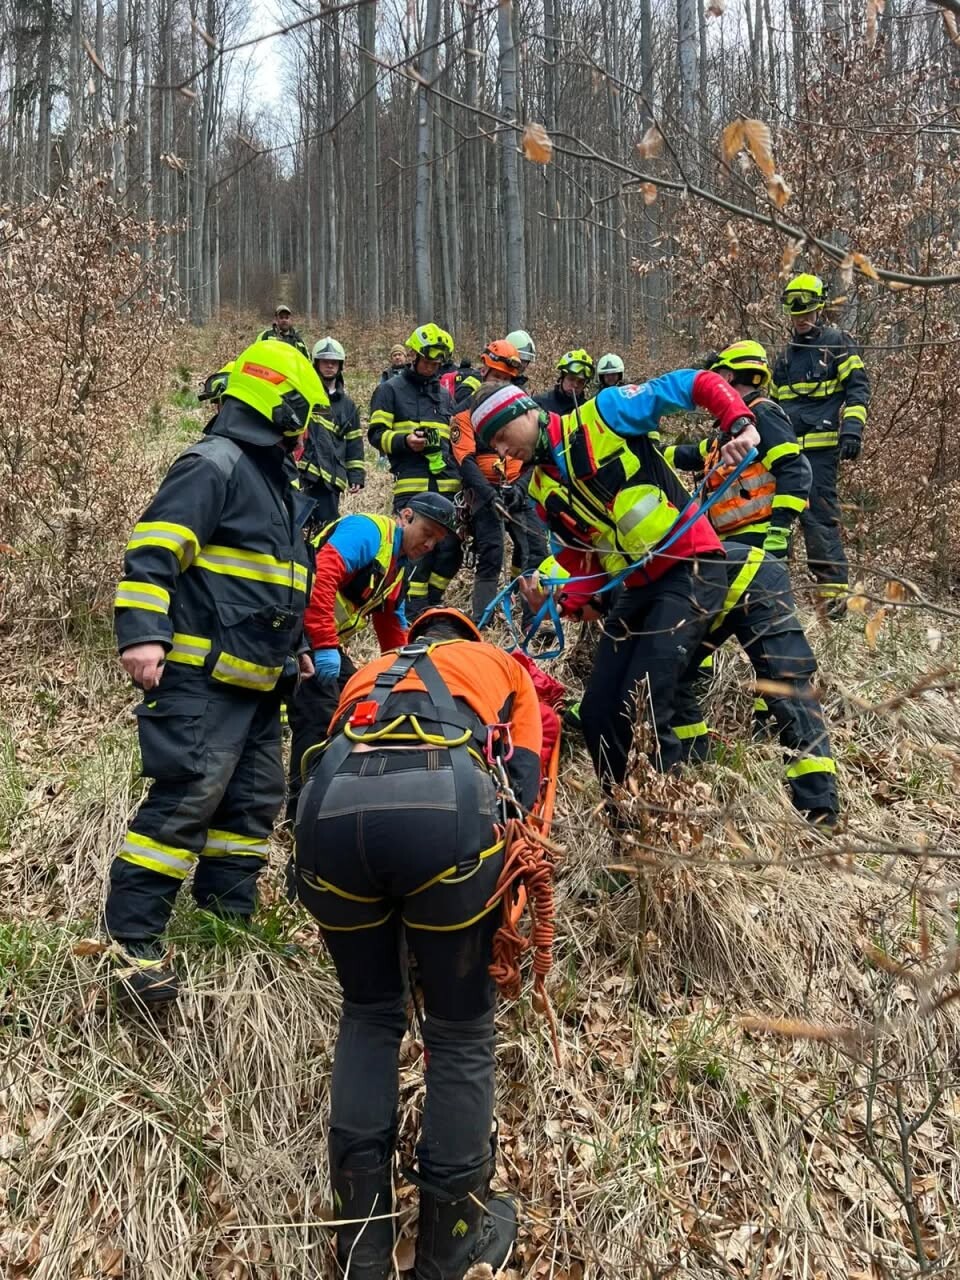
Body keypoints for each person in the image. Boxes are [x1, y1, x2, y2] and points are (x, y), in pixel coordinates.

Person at [294, 606, 542, 1280]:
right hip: (446, 815)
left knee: (369, 1012)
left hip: (327, 821)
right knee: (459, 1031)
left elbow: (322, 755)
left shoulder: (369, 672)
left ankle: (362, 1243)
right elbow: (522, 788)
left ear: (418, 638)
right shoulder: (501, 666)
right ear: (468, 638)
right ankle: (452, 1243)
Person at [105, 340, 327, 1004]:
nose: (306, 428)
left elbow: (276, 580)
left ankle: (224, 923)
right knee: (185, 803)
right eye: (304, 413)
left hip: (258, 679)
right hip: (201, 678)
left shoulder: (272, 479)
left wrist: (296, 647)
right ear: (282, 405)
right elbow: (153, 551)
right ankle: (131, 949)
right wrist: (143, 635)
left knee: (250, 805)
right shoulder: (214, 463)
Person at [469, 374, 761, 796]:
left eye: (500, 436)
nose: (500, 451)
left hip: (690, 567)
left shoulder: (605, 414)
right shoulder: (540, 492)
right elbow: (581, 564)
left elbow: (693, 383)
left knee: (645, 702)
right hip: (638, 591)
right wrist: (557, 602)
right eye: (491, 446)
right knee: (597, 712)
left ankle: (669, 815)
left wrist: (739, 423)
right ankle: (623, 816)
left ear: (525, 412)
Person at [544, 545, 838, 825]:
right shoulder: (624, 595)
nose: (574, 620)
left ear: (587, 590)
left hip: (756, 578)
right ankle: (697, 761)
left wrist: (575, 713)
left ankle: (818, 802)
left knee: (786, 682)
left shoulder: (628, 590)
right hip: (712, 598)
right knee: (672, 681)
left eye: (573, 612)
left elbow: (625, 690)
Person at [286, 493, 460, 820]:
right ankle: (300, 816)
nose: (428, 546)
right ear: (406, 516)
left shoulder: (398, 568)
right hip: (297, 630)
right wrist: (324, 644)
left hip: (319, 639)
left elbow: (391, 622)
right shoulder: (368, 531)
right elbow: (321, 577)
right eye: (427, 533)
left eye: (436, 541)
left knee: (355, 699)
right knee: (319, 717)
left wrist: (406, 671)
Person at [772, 274, 870, 616]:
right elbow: (772, 405)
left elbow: (858, 388)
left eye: (806, 312)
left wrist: (852, 430)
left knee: (818, 522)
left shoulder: (837, 343)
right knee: (776, 521)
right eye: (795, 313)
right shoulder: (785, 357)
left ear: (819, 308)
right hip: (785, 454)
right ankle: (773, 594)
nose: (801, 319)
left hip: (820, 452)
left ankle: (833, 601)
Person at [664, 342, 810, 559]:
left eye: (715, 378)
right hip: (731, 539)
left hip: (759, 538)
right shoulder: (735, 426)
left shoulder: (763, 415)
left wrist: (779, 530)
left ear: (728, 377)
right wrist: (655, 451)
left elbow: (795, 470)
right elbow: (697, 455)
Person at [368, 324, 462, 619]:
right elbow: (376, 435)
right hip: (412, 486)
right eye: (428, 361)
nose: (432, 368)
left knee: (450, 551)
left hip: (447, 486)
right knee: (415, 554)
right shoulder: (390, 390)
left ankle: (432, 603)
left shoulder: (444, 396)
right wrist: (405, 441)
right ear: (414, 356)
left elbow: (454, 440)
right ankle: (410, 613)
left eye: (437, 363)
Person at [451, 340, 546, 621]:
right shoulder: (465, 413)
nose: (500, 383)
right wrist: (488, 495)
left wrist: (520, 488)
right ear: (484, 371)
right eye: (496, 377)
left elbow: (537, 455)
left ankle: (533, 617)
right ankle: (483, 619)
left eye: (506, 379)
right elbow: (465, 461)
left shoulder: (523, 411)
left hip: (517, 487)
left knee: (536, 549)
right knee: (492, 551)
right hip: (483, 490)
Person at [295, 337, 364, 529]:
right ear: (316, 363)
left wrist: (356, 475)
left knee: (326, 529)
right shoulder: (305, 394)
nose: (330, 365)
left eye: (334, 362)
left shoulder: (347, 405)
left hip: (331, 478)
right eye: (325, 361)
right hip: (304, 473)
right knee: (297, 526)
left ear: (340, 365)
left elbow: (354, 442)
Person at [534, 349, 595, 416]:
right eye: (571, 379)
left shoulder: (588, 410)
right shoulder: (540, 403)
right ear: (562, 377)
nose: (575, 385)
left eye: (581, 382)